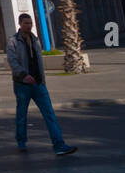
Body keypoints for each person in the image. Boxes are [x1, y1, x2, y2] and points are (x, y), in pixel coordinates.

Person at [6, 13, 76, 156]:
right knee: (22, 114)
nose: (29, 26)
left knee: (50, 114)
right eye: (26, 23)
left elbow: (38, 62)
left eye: (30, 23)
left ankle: (59, 145)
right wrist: (24, 75)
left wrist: (42, 81)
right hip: (22, 85)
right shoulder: (13, 41)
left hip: (38, 84)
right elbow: (12, 61)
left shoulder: (35, 40)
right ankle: (21, 141)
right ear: (20, 24)